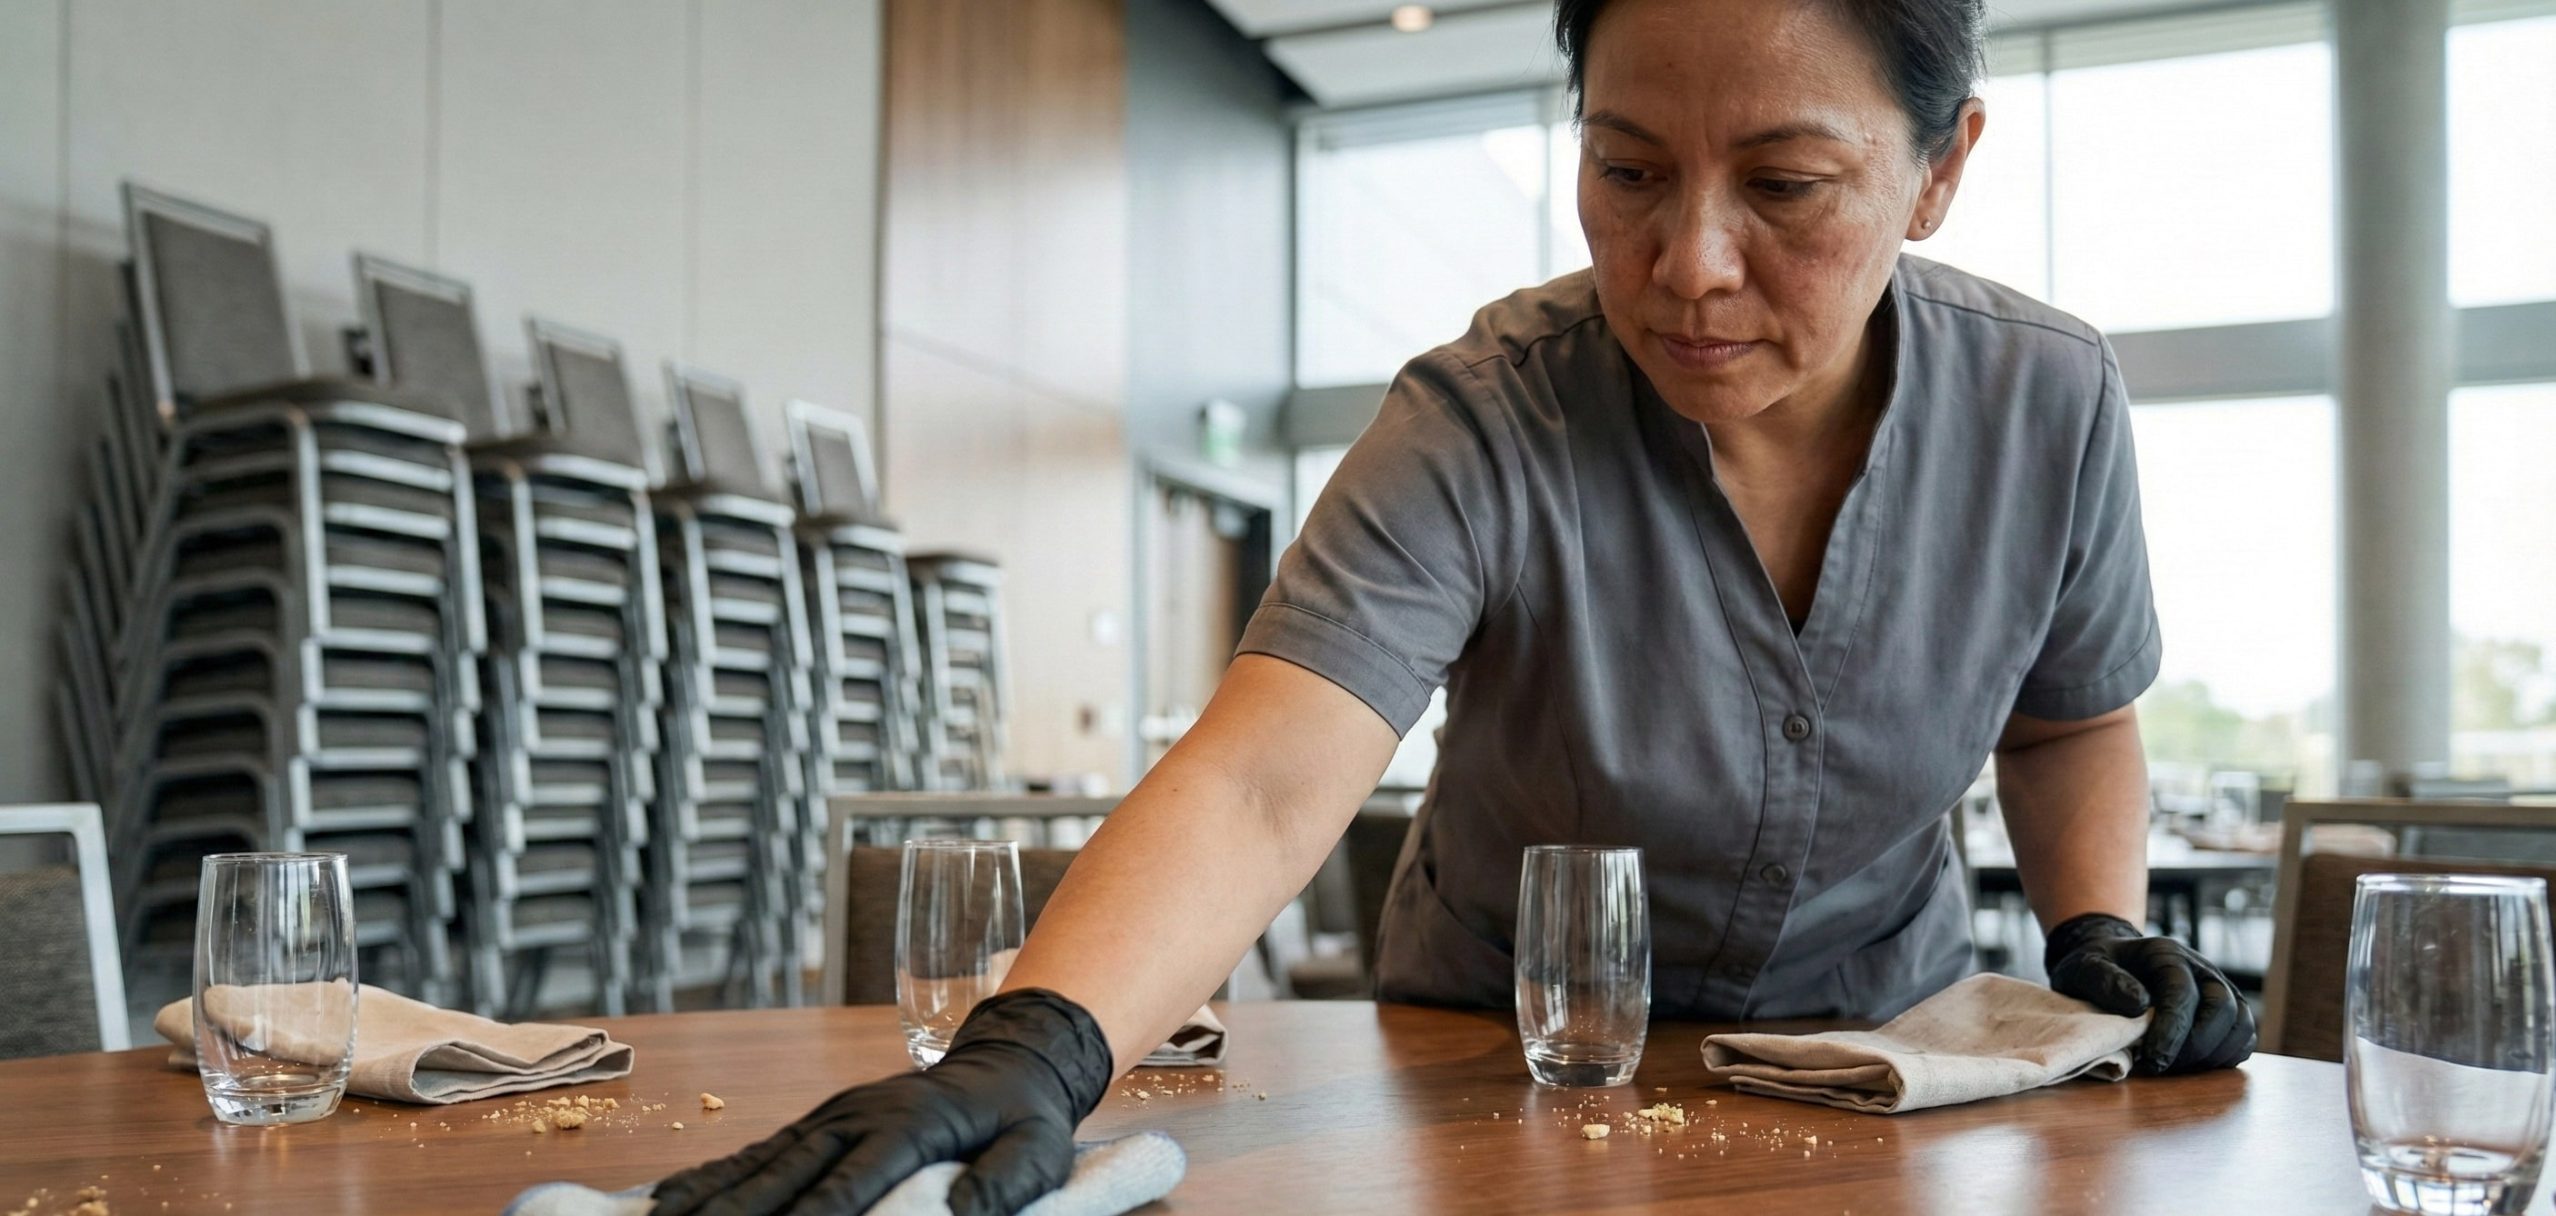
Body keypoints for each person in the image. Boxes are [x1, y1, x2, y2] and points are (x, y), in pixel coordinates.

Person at [651, 0, 2255, 1211]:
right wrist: (1040, 1047)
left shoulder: (2049, 401)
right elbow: (1268, 776)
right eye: (1627, 168)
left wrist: (2091, 928)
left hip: (1876, 1064)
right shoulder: (1488, 411)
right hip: (1492, 1056)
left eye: (1784, 185)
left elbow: (2070, 719)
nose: (1688, 261)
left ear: (1938, 171)